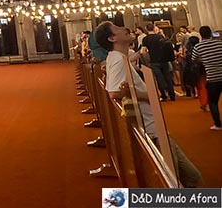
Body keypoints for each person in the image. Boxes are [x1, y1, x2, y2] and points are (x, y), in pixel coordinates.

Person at [93, 21, 203, 187]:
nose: (124, 28)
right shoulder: (117, 60)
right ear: (112, 38)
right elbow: (114, 92)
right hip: (152, 131)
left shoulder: (119, 57)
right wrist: (148, 94)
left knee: (192, 178)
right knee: (177, 182)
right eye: (117, 28)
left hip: (154, 127)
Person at [192, 26, 222, 131]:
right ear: (211, 33)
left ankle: (218, 124)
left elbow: (194, 59)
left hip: (212, 77)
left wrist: (204, 60)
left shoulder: (198, 47)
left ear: (201, 34)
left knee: (213, 102)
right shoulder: (219, 43)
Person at [142, 23, 176, 101]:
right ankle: (172, 95)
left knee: (159, 78)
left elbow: (143, 51)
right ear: (154, 28)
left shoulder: (146, 39)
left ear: (146, 29)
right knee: (168, 77)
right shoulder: (160, 36)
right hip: (164, 59)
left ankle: (164, 95)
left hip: (154, 60)